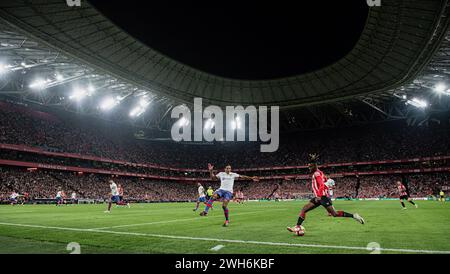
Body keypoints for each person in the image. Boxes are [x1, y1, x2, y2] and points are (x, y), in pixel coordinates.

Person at [287, 154, 364, 236]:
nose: (309, 168)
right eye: (308, 166)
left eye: (310, 166)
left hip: (322, 197)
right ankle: (298, 226)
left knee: (335, 214)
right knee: (304, 209)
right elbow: (325, 182)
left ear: (315, 166)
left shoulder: (316, 173)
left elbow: (321, 184)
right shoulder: (320, 173)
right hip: (319, 197)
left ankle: (354, 216)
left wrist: (320, 195)